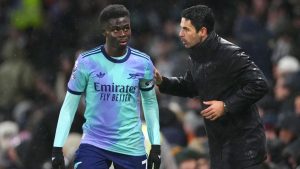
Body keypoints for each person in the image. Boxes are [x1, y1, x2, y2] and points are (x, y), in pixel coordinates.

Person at [155, 5, 269, 169]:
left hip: (244, 145)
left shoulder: (230, 53)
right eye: (181, 28)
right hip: (220, 144)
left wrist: (226, 105)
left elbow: (260, 83)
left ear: (202, 31)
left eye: (186, 29)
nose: (180, 34)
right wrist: (162, 82)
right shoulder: (196, 56)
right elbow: (190, 86)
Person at [51, 4, 161, 169]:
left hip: (131, 146)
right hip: (94, 144)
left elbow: (150, 103)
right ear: (104, 32)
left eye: (126, 28)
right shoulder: (86, 62)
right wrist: (57, 147)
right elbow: (69, 106)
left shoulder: (142, 62)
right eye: (116, 30)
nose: (123, 34)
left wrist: (156, 146)